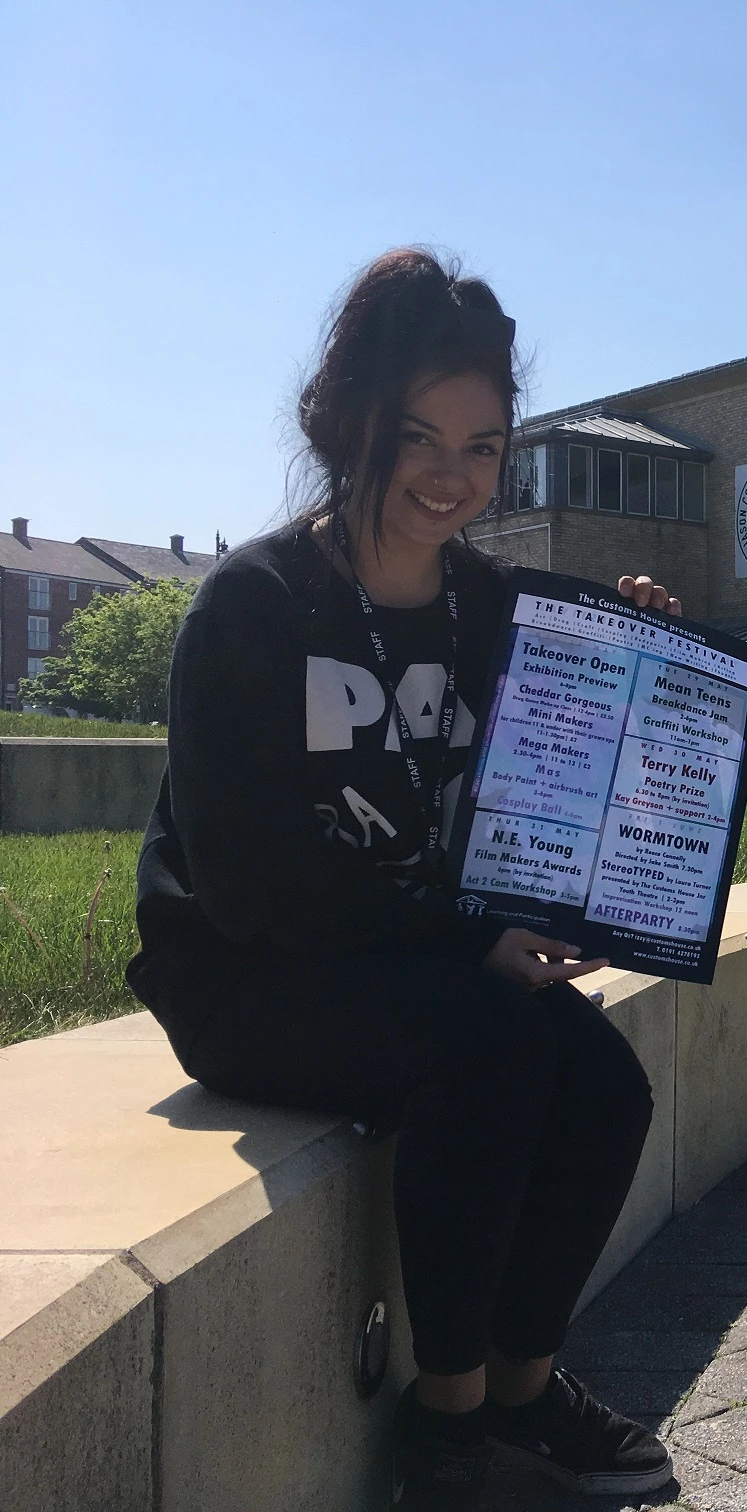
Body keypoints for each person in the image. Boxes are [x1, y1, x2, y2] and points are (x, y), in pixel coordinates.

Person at [126, 248, 679, 1508]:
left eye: (483, 448)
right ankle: (446, 1421)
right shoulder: (255, 606)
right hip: (246, 975)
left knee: (605, 1088)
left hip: (418, 955)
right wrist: (460, 945)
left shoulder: (490, 608)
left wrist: (643, 646)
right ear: (346, 423)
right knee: (490, 1044)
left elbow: (586, 756)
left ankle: (529, 1386)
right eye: (418, 435)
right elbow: (250, 885)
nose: (451, 476)